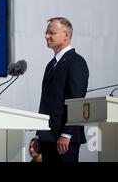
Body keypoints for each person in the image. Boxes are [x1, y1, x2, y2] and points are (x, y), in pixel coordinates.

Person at [34, 17, 89, 162]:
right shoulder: (51, 64)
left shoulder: (76, 62)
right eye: (46, 33)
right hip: (48, 138)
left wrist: (67, 134)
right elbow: (47, 103)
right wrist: (40, 134)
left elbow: (76, 101)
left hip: (64, 140)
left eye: (51, 33)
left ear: (66, 35)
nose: (47, 36)